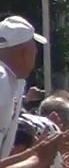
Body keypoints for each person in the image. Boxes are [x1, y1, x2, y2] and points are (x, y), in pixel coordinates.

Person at [0, 16, 45, 158]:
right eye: (34, 50)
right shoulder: (2, 79)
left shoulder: (10, 81)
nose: (36, 55)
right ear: (25, 52)